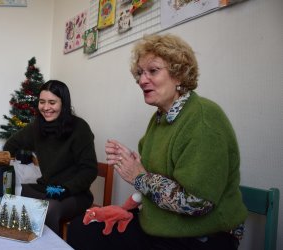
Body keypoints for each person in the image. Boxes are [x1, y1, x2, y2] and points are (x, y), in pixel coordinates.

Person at [67, 34, 247, 250]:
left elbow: (197, 201)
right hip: (160, 225)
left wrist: (138, 175)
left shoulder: (203, 119)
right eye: (140, 73)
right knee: (82, 228)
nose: (142, 80)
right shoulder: (160, 118)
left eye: (153, 71)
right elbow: (155, 175)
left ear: (179, 74)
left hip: (204, 234)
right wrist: (132, 186)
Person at [3, 80, 98, 236]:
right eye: (42, 102)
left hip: (74, 194)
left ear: (64, 104)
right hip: (46, 188)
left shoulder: (80, 128)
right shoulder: (37, 127)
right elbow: (11, 145)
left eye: (52, 102)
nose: (46, 108)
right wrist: (15, 158)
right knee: (11, 195)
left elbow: (89, 170)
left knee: (48, 209)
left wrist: (66, 189)